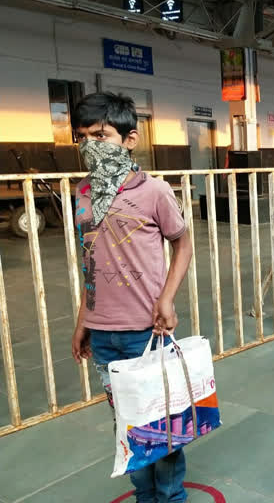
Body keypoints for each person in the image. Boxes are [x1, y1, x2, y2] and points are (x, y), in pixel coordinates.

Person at [69, 92, 193, 503]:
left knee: (161, 423)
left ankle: (171, 496)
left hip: (147, 331)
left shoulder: (153, 190)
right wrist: (83, 321)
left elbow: (183, 244)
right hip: (104, 335)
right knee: (128, 425)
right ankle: (145, 496)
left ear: (129, 139)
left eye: (101, 135)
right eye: (83, 137)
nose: (91, 145)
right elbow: (89, 263)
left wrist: (168, 299)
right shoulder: (83, 194)